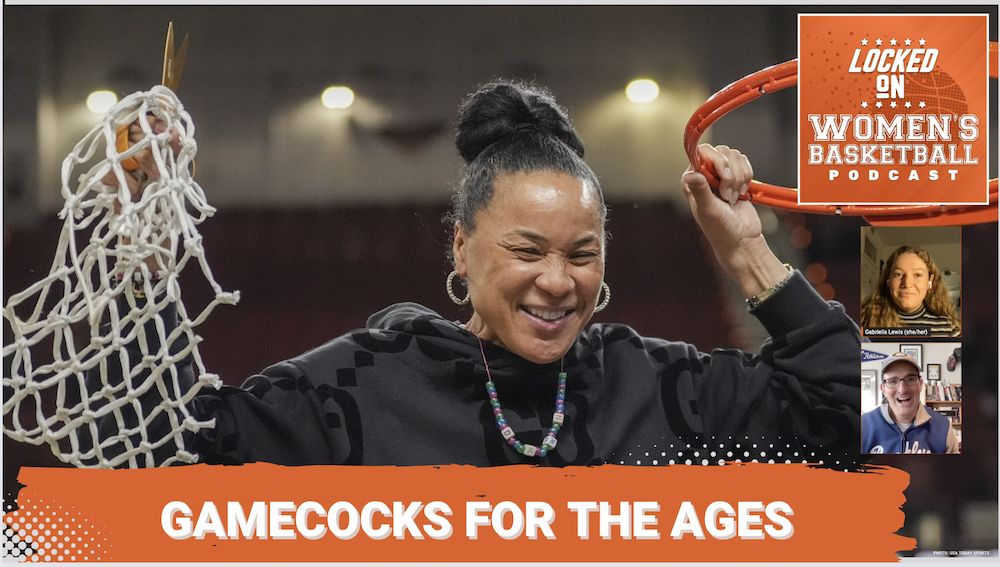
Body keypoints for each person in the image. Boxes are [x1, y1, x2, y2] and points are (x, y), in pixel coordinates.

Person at [86, 80, 861, 467]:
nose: (558, 280)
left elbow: (901, 421)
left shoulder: (659, 386)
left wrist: (750, 256)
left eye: (581, 254)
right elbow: (162, 449)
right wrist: (139, 260)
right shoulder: (358, 386)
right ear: (460, 248)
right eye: (527, 251)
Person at [861, 352, 959, 454]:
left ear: (921, 384)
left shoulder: (943, 426)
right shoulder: (863, 425)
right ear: (883, 389)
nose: (902, 390)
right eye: (893, 381)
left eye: (910, 379)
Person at [860, 245, 961, 337]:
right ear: (888, 280)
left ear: (929, 282)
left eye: (917, 275)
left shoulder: (948, 328)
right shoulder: (864, 320)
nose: (907, 283)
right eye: (898, 274)